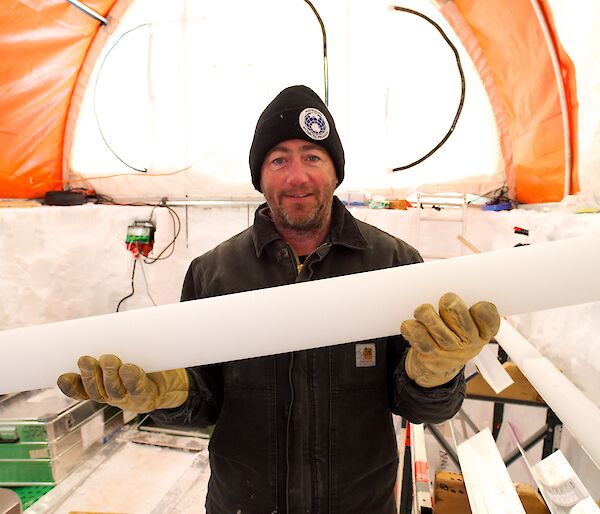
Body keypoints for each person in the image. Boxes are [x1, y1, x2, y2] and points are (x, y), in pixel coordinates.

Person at [58, 85, 500, 514]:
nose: (297, 176)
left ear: (334, 171)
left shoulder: (395, 264)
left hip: (361, 504)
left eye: (312, 157)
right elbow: (203, 401)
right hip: (242, 504)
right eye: (279, 159)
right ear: (259, 175)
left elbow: (421, 408)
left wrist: (436, 376)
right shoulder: (214, 273)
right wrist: (168, 398)